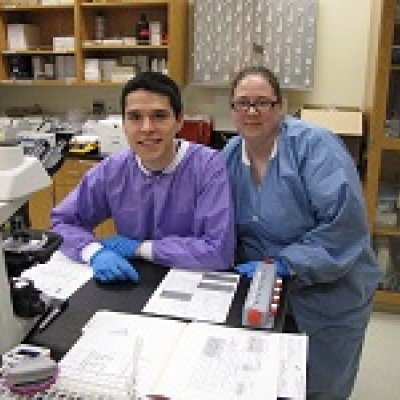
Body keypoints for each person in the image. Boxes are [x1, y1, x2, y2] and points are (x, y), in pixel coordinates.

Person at [222, 66, 381, 400]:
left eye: (262, 103)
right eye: (243, 103)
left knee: (319, 386)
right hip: (261, 293)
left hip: (330, 293)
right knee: (262, 381)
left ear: (280, 106)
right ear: (232, 109)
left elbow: (344, 227)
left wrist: (284, 263)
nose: (252, 111)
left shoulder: (315, 148)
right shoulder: (229, 157)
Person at [51, 71, 235, 283]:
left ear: (179, 121)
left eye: (159, 116)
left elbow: (218, 250)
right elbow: (63, 222)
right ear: (124, 124)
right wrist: (93, 252)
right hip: (131, 280)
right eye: (135, 117)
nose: (147, 128)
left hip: (190, 283)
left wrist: (141, 248)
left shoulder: (207, 167)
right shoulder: (114, 169)